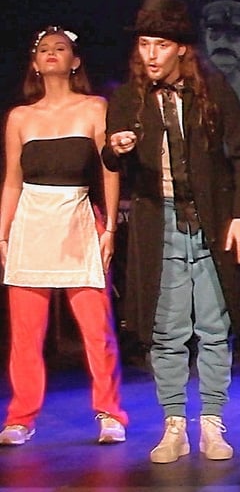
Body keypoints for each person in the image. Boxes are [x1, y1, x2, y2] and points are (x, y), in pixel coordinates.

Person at [103, 0, 240, 463]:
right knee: (166, 328)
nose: (151, 54)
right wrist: (117, 147)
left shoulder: (212, 89)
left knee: (214, 325)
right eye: (145, 44)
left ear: (181, 50)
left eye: (161, 44)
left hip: (210, 221)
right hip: (160, 221)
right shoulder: (128, 97)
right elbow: (110, 159)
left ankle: (211, 421)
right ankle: (174, 423)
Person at [0, 25, 128, 446]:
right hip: (31, 224)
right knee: (25, 333)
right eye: (43, 49)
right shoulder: (21, 117)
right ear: (35, 64)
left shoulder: (94, 107)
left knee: (96, 328)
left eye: (61, 48)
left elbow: (110, 166)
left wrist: (109, 225)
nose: (51, 53)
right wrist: (3, 236)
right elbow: (13, 182)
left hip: (76, 219)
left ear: (75, 62)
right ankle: (20, 416)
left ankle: (110, 411)